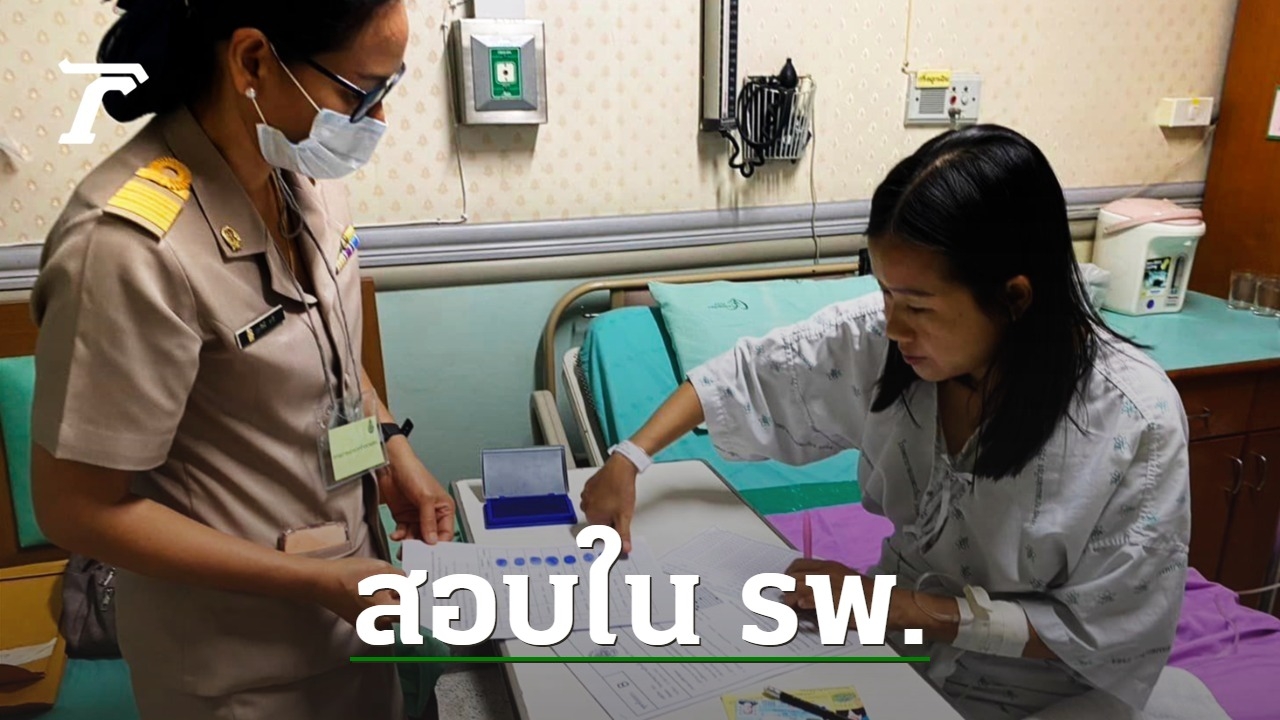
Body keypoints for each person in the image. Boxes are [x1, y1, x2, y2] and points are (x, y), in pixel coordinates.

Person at [581, 125, 1191, 719]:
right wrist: (629, 458)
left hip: (1038, 692)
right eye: (886, 294)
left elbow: (1108, 631)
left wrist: (895, 606)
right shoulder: (881, 340)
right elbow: (748, 375)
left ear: (1014, 298)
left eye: (918, 306)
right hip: (893, 646)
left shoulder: (1134, 422)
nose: (894, 327)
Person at [29, 1, 452, 718]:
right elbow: (77, 510)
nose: (378, 119)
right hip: (240, 670)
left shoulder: (303, 174)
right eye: (359, 92)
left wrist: (390, 447)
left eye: (389, 88)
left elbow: (325, 349)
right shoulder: (129, 251)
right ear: (253, 61)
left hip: (348, 616)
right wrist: (316, 583)